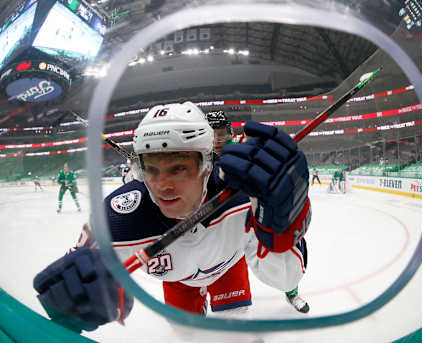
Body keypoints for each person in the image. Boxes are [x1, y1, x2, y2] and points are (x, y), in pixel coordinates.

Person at [33, 102, 311, 334]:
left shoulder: (242, 200)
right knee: (185, 334)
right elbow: (79, 269)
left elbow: (286, 279)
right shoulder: (119, 219)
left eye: (178, 168)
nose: (162, 186)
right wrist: (70, 293)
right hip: (179, 281)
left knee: (235, 327)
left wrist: (283, 227)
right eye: (152, 170)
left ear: (206, 163)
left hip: (228, 269)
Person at [207, 110, 310, 313]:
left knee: (283, 260)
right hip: (224, 225)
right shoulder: (200, 158)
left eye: (221, 133)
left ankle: (292, 292)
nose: (216, 139)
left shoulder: (243, 149)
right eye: (211, 134)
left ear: (229, 133)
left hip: (254, 217)